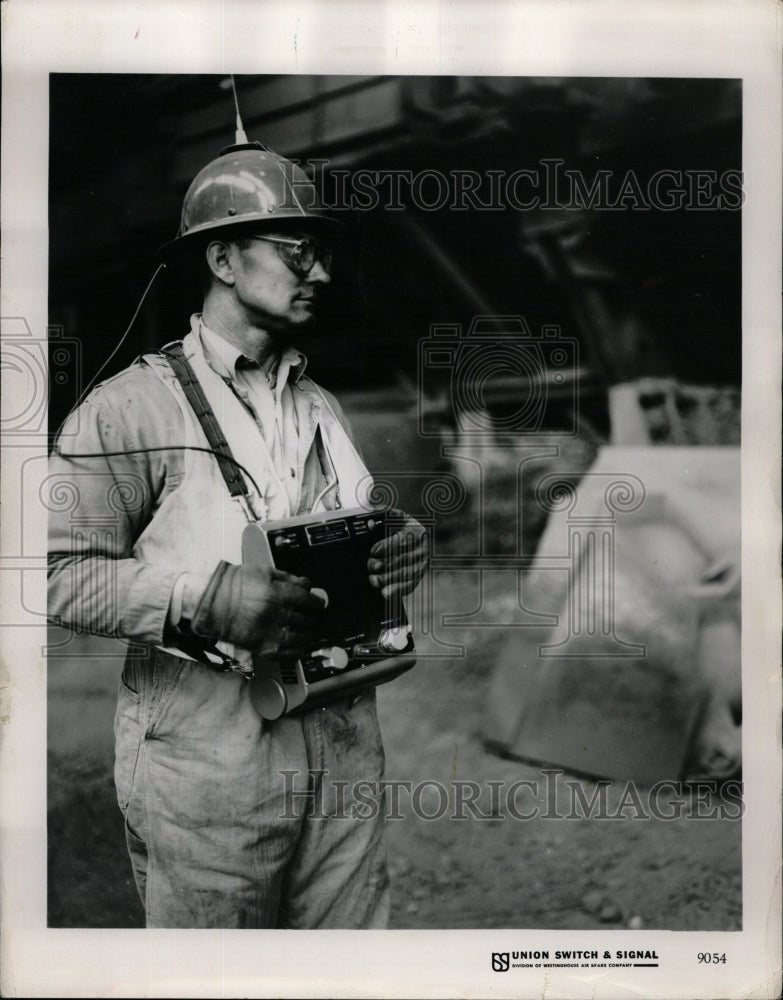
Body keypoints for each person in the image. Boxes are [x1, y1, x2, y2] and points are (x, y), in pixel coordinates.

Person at [47, 136, 430, 929]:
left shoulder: (315, 402)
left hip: (341, 731)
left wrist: (401, 544)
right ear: (223, 260)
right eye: (298, 252)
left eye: (322, 253)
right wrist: (205, 599)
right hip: (207, 751)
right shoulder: (129, 411)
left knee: (348, 972)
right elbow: (51, 572)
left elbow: (353, 529)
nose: (319, 272)